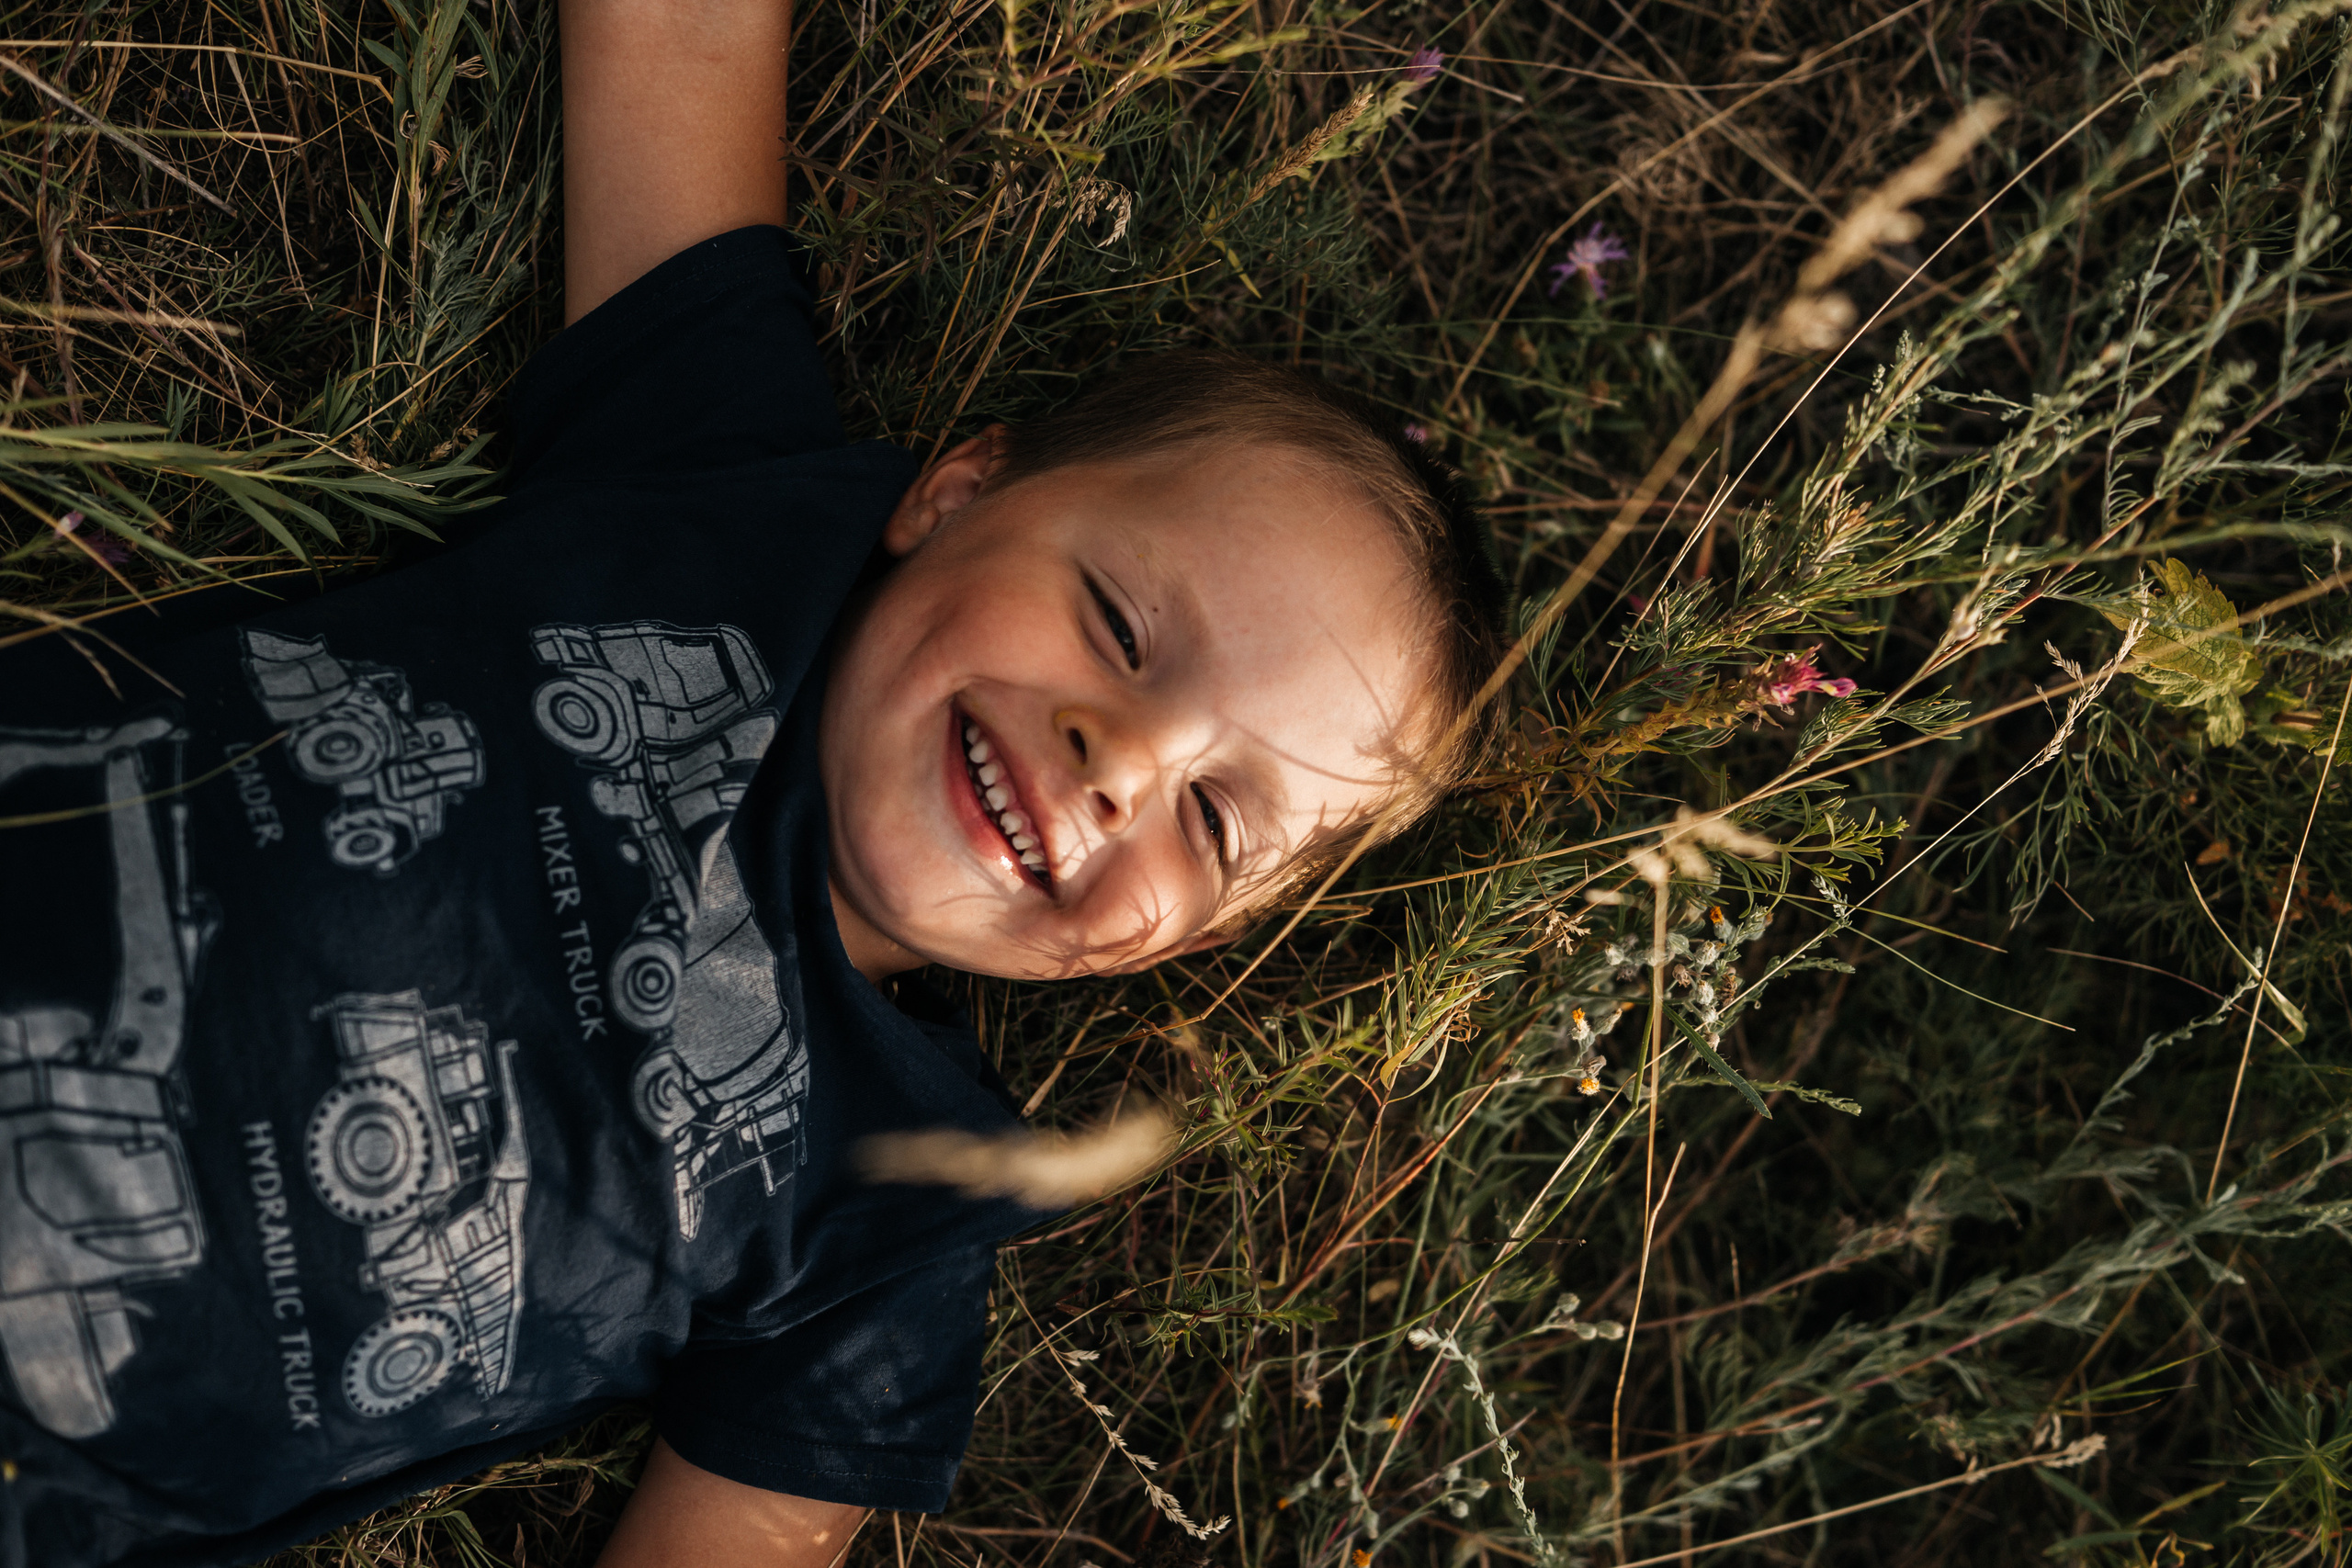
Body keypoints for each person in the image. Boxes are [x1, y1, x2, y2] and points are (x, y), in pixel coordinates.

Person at [0, 1, 1508, 1563]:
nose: (1124, 766)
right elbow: (675, 43)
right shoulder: (726, 486)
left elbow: (742, 1541)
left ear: (1195, 941)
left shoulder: (908, 1213)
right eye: (1120, 627)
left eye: (1213, 821)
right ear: (959, 490)